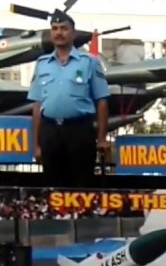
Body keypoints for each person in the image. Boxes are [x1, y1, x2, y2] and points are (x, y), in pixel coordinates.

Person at [27, 10, 110, 188]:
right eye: (55, 28)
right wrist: (36, 144)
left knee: (82, 185)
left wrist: (101, 138)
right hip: (50, 131)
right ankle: (58, 217)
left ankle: (81, 216)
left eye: (64, 28)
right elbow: (37, 105)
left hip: (79, 131)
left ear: (73, 33)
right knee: (53, 186)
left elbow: (102, 101)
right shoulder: (42, 64)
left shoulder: (89, 62)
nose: (59, 33)